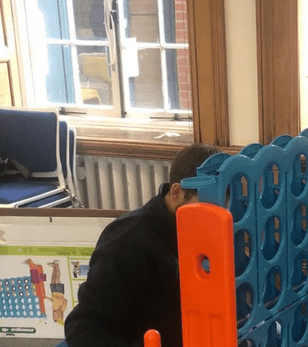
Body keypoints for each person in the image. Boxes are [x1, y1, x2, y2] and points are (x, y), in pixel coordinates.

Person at [65, 143, 220, 347]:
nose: (215, 216)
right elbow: (83, 327)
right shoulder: (127, 241)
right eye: (206, 206)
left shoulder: (198, 231)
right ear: (176, 194)